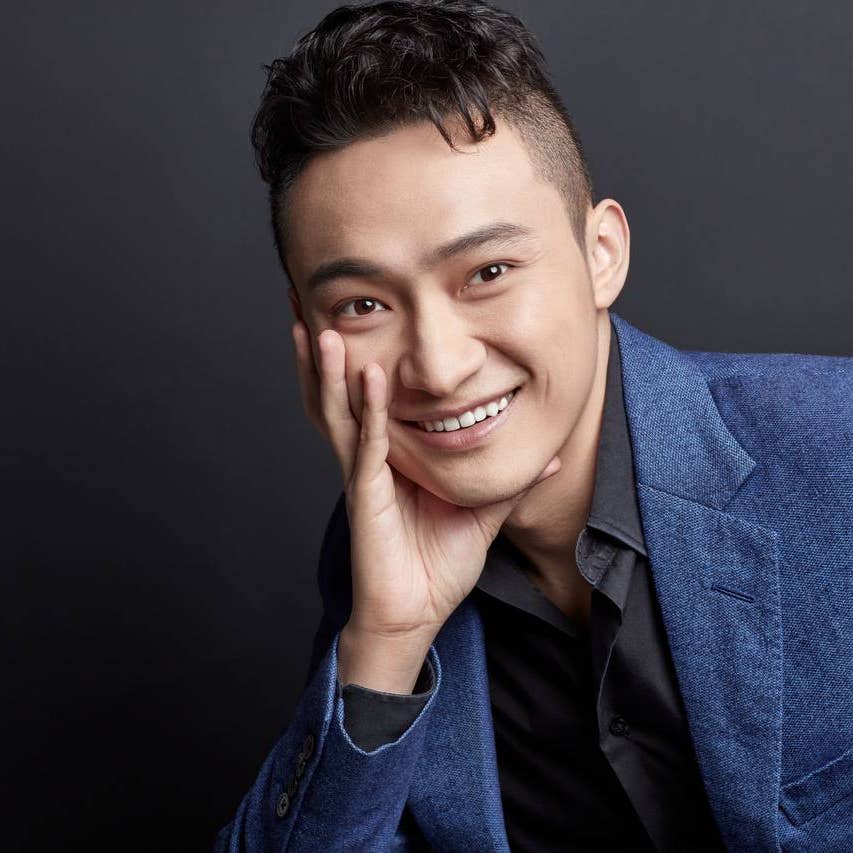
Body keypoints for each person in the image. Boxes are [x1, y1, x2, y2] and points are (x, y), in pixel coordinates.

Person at [213, 1, 853, 850]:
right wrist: (386, 642)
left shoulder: (833, 447)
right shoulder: (374, 561)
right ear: (307, 333)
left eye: (487, 271)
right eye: (363, 304)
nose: (438, 367)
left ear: (601, 254)